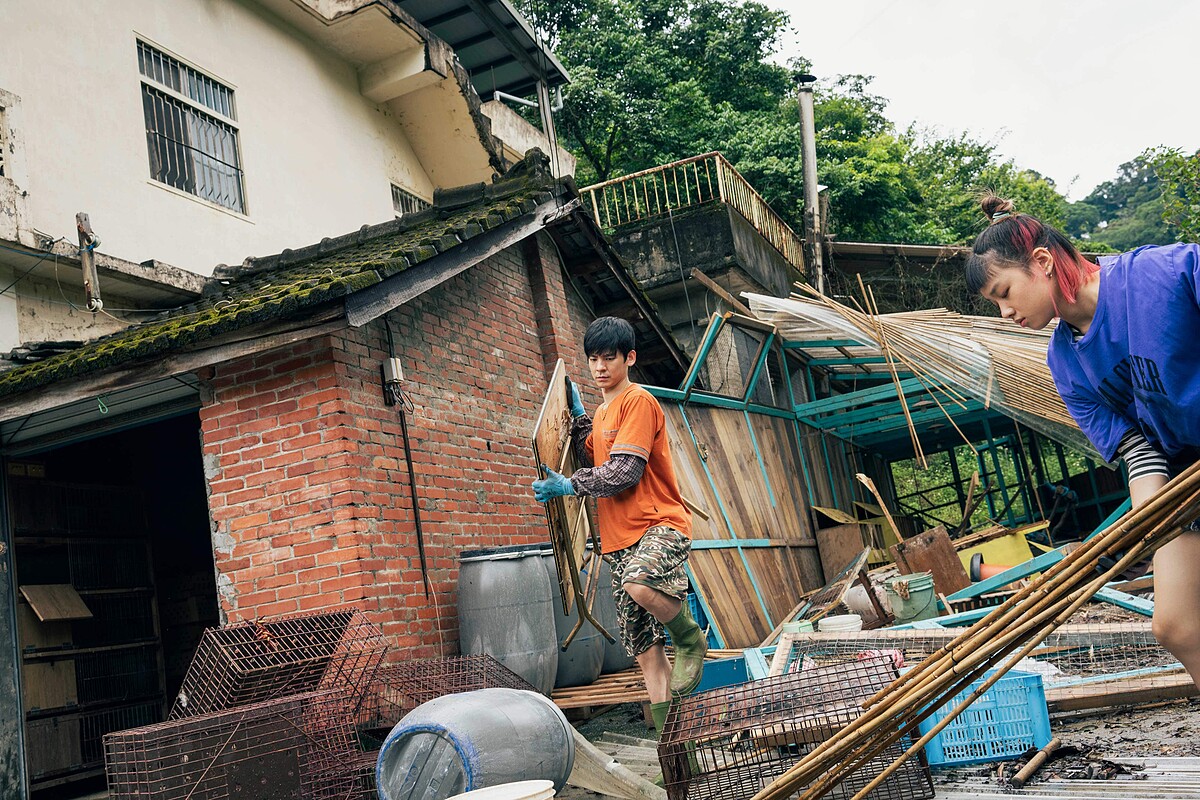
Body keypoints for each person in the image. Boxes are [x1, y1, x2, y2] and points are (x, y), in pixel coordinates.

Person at [966, 194, 1200, 686]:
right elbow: (1136, 446)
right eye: (995, 304)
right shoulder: (1066, 363)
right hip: (1184, 481)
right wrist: (1150, 520)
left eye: (1004, 292)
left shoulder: (1164, 274)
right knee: (1177, 626)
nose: (1005, 312)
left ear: (1043, 262)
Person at [531, 316, 706, 732]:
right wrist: (576, 416)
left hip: (658, 524)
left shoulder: (639, 402)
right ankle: (676, 753)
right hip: (617, 539)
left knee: (640, 583)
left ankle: (688, 637)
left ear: (629, 358)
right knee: (645, 650)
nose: (599, 367)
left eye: (609, 357)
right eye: (593, 358)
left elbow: (624, 471)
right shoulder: (606, 409)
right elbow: (596, 452)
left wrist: (568, 485)